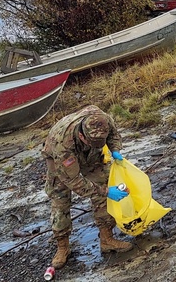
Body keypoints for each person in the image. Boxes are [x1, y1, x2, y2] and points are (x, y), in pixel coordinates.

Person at [42, 105, 134, 270]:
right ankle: (63, 247)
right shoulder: (62, 144)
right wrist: (106, 192)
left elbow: (113, 135)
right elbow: (74, 181)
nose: (97, 145)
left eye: (100, 142)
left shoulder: (103, 120)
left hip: (89, 156)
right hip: (60, 162)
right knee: (60, 202)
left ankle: (106, 239)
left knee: (103, 185)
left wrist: (115, 150)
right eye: (93, 142)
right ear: (81, 135)